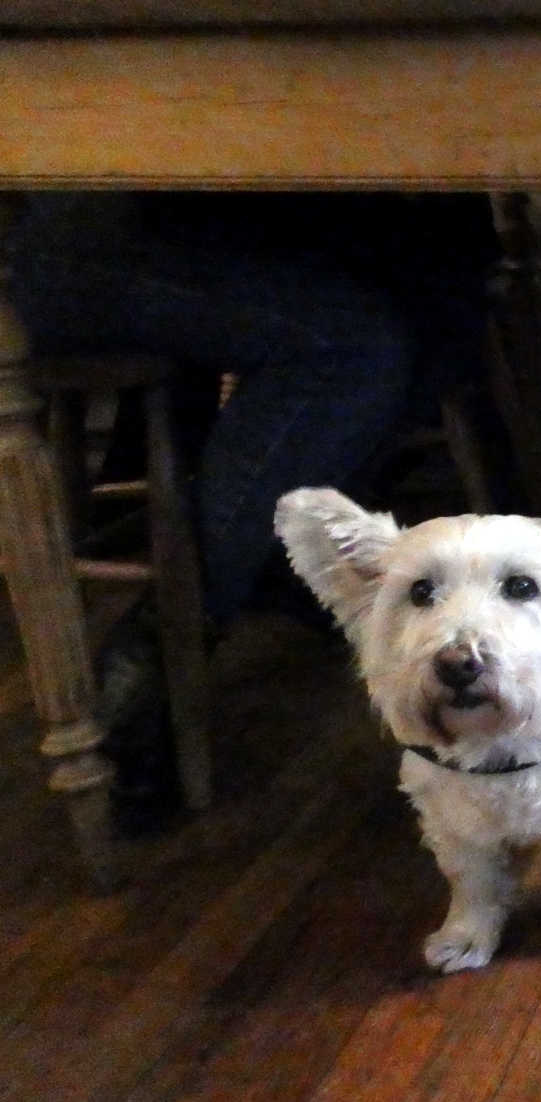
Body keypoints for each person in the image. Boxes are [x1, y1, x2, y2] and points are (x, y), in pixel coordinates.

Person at [11, 191, 503, 830]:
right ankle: (158, 646)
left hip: (217, 220)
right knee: (354, 346)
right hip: (93, 233)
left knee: (438, 288)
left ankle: (267, 566)